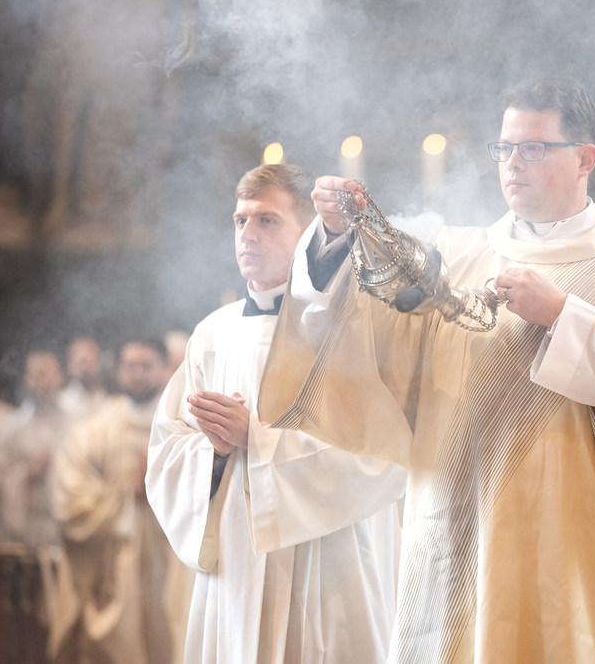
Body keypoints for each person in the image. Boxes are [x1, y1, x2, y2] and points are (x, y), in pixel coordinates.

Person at [259, 77, 595, 662]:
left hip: (588, 550)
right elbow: (362, 337)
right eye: (504, 148)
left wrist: (564, 316)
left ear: (585, 159)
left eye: (533, 148)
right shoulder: (455, 257)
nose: (512, 163)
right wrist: (335, 235)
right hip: (460, 537)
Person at [146, 163, 407, 663]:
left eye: (267, 220)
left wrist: (257, 439)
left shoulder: (350, 325)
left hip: (330, 569)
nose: (248, 234)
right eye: (240, 220)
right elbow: (166, 449)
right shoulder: (213, 334)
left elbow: (384, 452)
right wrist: (213, 454)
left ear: (308, 231)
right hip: (237, 568)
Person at [50, 338, 192, 664]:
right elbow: (70, 501)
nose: (137, 374)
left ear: (165, 370)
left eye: (147, 365)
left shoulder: (186, 428)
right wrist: (127, 492)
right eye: (130, 366)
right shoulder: (91, 431)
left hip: (174, 562)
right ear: (118, 371)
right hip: (113, 567)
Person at [0, 350, 70, 546]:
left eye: (46, 375)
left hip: (64, 528)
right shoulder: (12, 428)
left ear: (61, 378)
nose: (42, 383)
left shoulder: (75, 425)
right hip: (24, 527)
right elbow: (1, 478)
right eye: (36, 376)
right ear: (25, 381)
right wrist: (27, 473)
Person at [59, 337, 107, 420]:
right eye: (80, 363)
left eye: (89, 362)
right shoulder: (62, 402)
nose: (85, 368)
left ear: (99, 362)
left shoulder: (110, 398)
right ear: (69, 365)